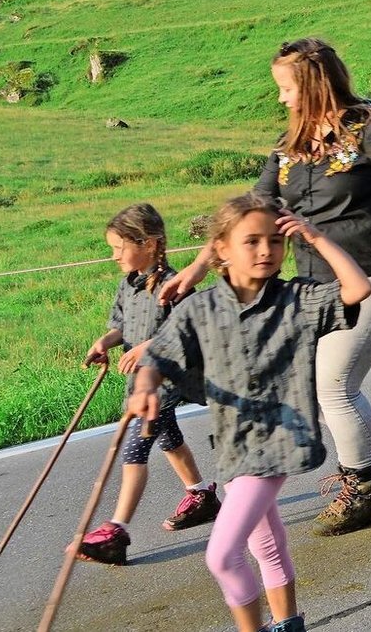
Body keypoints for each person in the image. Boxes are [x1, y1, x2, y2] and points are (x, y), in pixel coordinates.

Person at [160, 38, 371, 536]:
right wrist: (198, 267)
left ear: (312, 84)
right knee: (310, 383)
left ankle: (363, 489)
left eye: (286, 89)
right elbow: (249, 213)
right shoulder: (290, 149)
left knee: (333, 385)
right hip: (316, 285)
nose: (282, 99)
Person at [129, 193, 371, 632]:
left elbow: (358, 290)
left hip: (279, 442)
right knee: (266, 545)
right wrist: (144, 387)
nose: (266, 251)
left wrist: (316, 239)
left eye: (275, 242)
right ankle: (288, 623)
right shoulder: (200, 309)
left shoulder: (298, 299)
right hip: (232, 444)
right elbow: (158, 357)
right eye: (252, 241)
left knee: (221, 554)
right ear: (220, 249)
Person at [74, 203, 219, 566]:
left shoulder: (175, 286)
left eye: (120, 248)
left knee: (136, 448)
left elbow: (185, 332)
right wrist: (106, 342)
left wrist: (147, 347)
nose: (114, 257)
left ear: (150, 244)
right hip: (142, 383)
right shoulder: (128, 285)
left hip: (166, 380)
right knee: (168, 437)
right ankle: (201, 495)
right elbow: (122, 325)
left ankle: (116, 530)